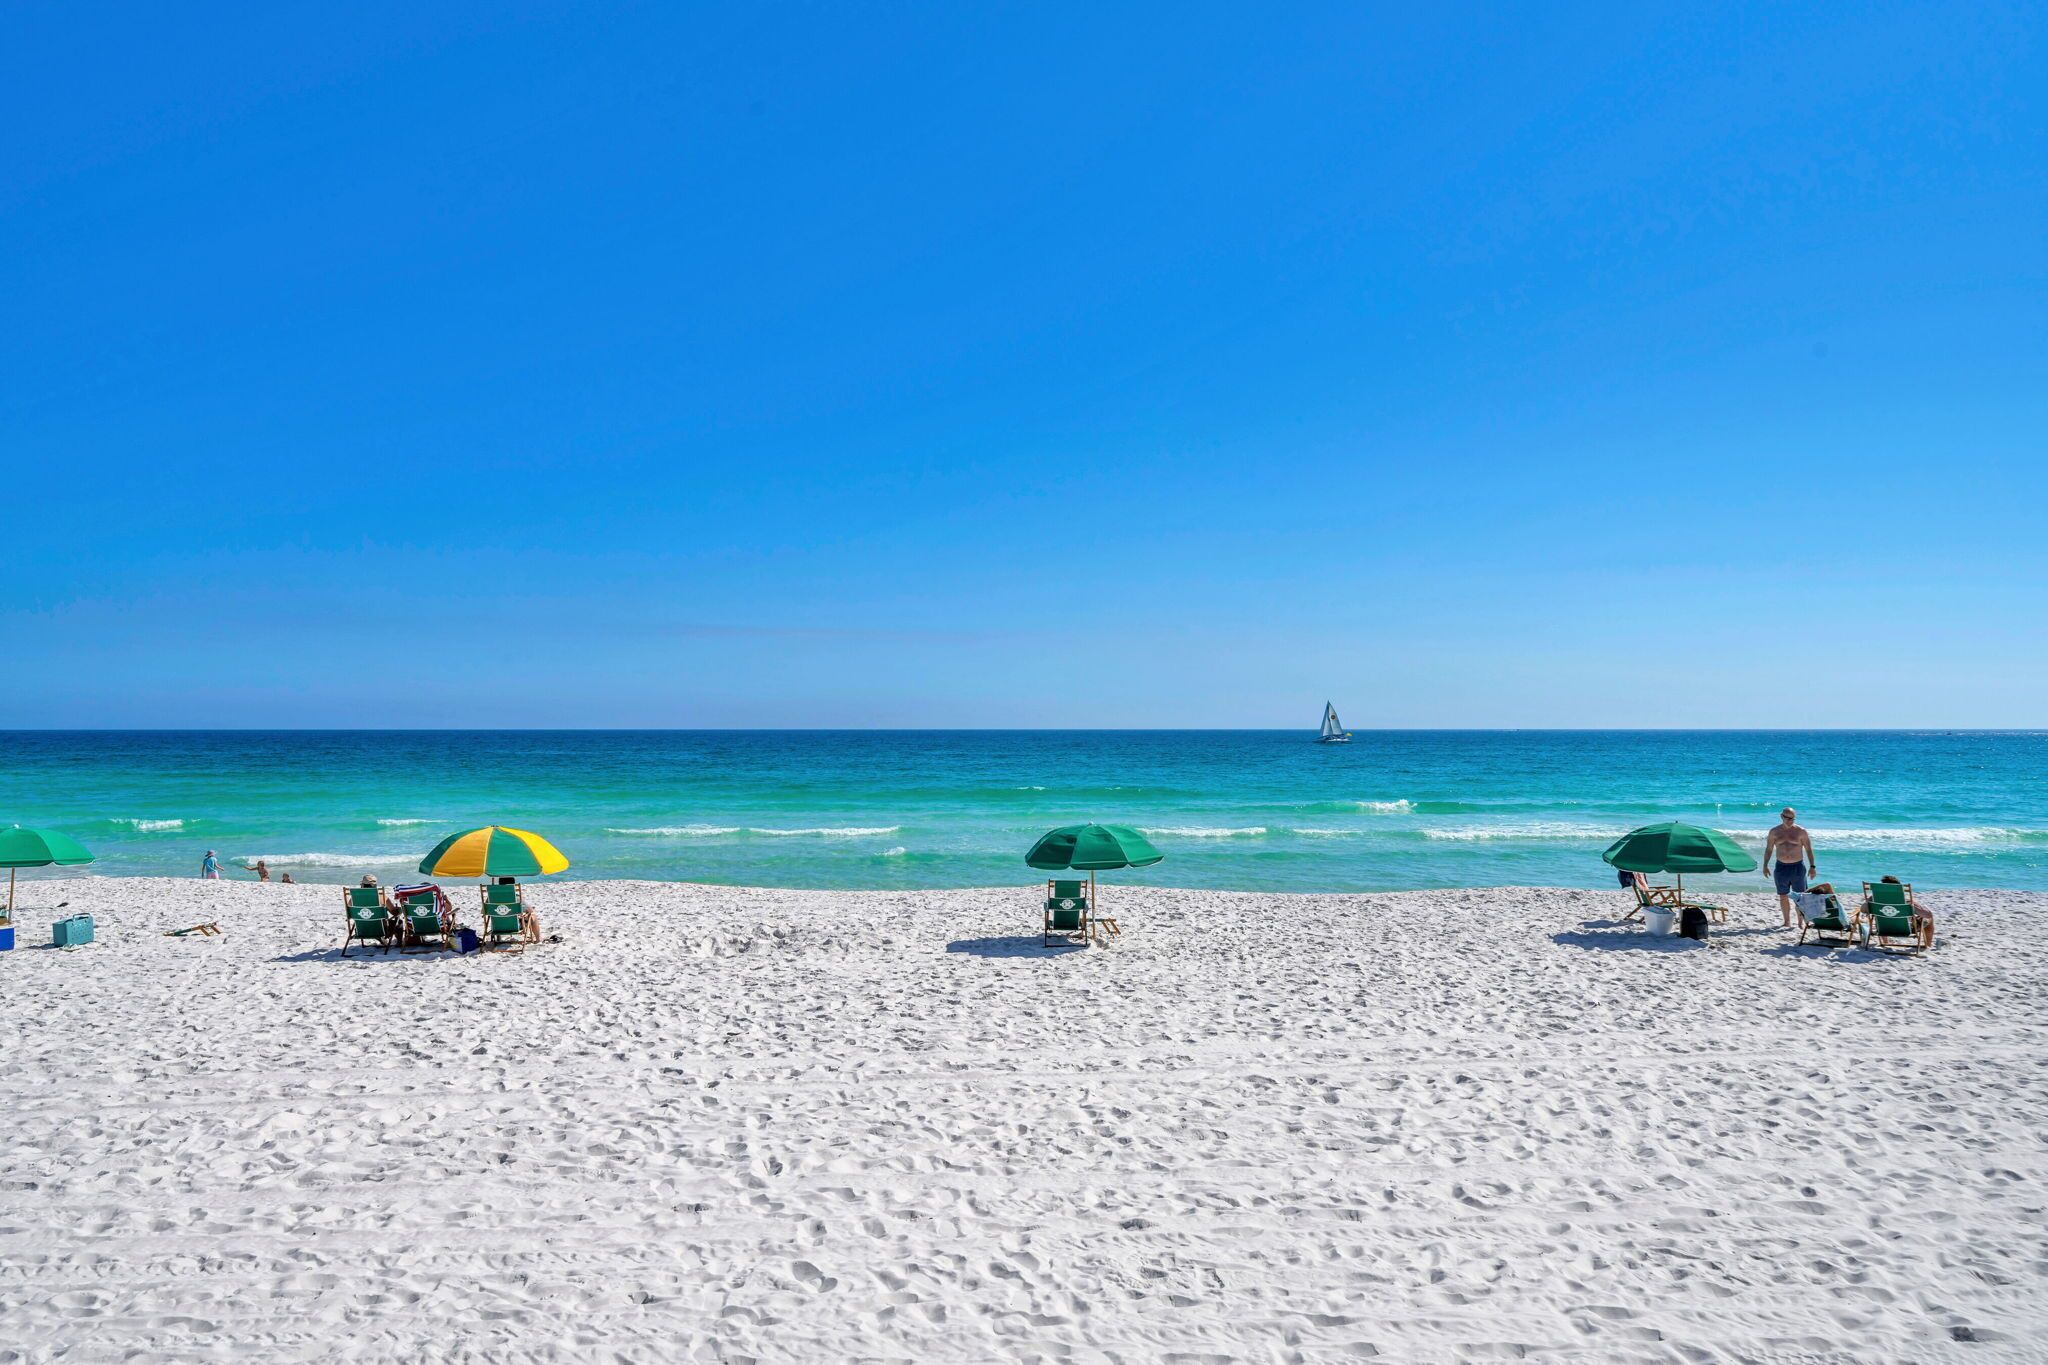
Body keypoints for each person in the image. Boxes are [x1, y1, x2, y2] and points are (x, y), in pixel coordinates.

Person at [1762, 807, 1816, 928]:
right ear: (1782, 817)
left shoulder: (1801, 831)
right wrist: (1765, 865)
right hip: (1781, 867)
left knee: (1799, 896)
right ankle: (1787, 922)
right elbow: (1769, 849)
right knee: (1783, 895)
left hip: (1797, 867)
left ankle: (1800, 922)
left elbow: (1808, 849)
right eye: (1788, 818)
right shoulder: (1774, 832)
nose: (1790, 821)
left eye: (1792, 818)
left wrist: (1812, 866)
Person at [1873, 874, 1937, 949]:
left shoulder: (1875, 900)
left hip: (1883, 928)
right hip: (1905, 929)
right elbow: (1928, 915)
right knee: (1930, 919)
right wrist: (1914, 905)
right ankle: (1928, 945)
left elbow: (1863, 909)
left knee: (1884, 915)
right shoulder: (1906, 901)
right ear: (1898, 888)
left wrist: (1869, 901)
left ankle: (1885, 942)